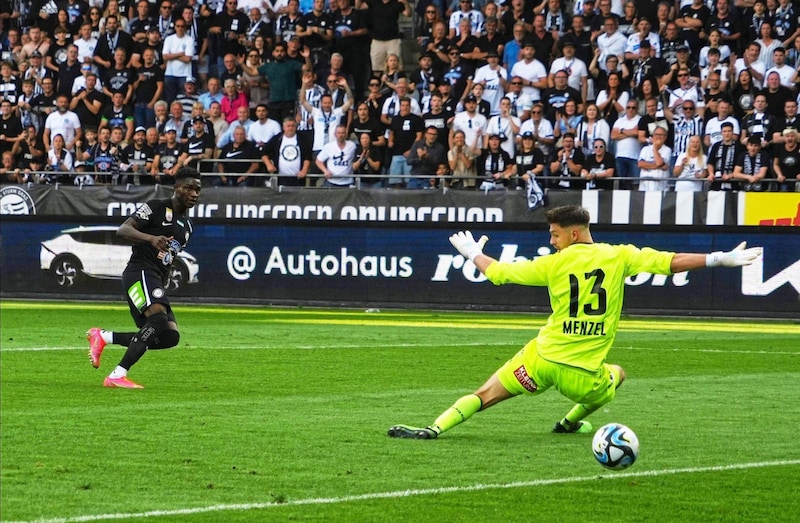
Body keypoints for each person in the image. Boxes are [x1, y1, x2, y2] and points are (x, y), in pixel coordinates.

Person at [387, 205, 763, 440]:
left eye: (554, 234)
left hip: (541, 359)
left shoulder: (553, 263)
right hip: (583, 374)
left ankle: (435, 428)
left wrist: (474, 253)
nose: (552, 242)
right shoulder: (620, 256)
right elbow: (669, 262)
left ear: (574, 233)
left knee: (486, 395)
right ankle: (568, 424)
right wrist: (719, 259)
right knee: (617, 373)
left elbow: (499, 273)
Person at [86, 168, 203, 389]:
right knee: (157, 321)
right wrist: (150, 238)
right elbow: (123, 229)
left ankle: (103, 337)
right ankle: (117, 375)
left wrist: (164, 279)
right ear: (176, 187)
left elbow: (170, 256)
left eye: (197, 189)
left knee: (169, 336)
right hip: (139, 271)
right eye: (189, 188)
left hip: (156, 278)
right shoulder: (156, 207)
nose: (194, 194)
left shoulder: (187, 226)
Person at [637, 126, 672, 191]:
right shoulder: (645, 149)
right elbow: (640, 164)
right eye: (656, 134)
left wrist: (655, 148)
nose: (658, 137)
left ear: (665, 137)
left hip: (660, 187)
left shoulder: (667, 150)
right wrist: (659, 166)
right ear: (653, 136)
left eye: (661, 135)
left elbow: (659, 163)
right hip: (645, 186)